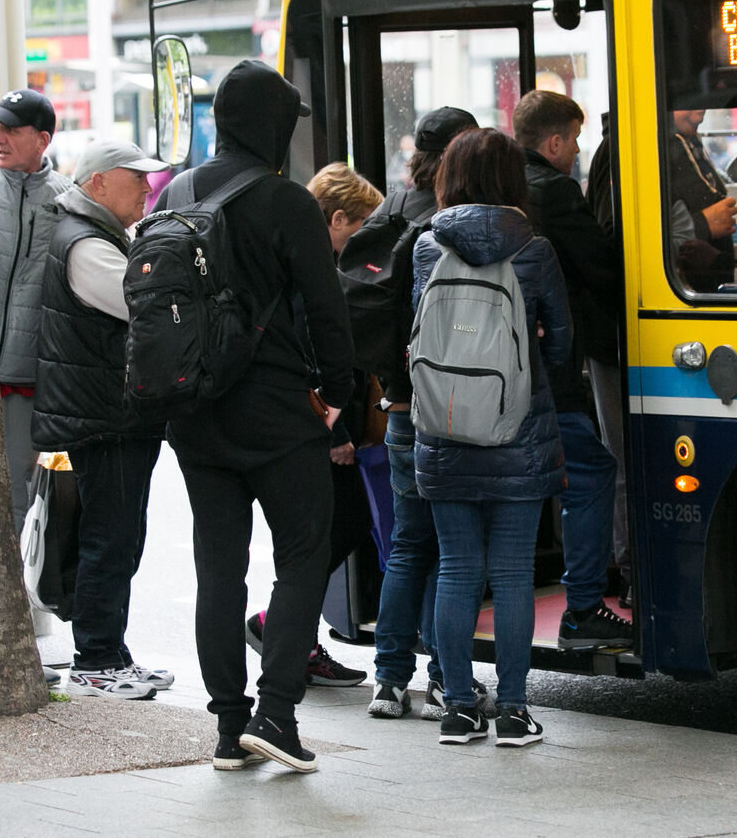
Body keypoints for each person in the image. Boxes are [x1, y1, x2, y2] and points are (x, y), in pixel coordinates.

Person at [157, 60, 355, 774]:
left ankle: (227, 730)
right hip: (275, 413)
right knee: (303, 554)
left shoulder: (172, 193)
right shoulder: (285, 202)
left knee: (220, 568)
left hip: (194, 412)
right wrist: (338, 398)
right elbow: (327, 313)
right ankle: (276, 713)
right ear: (272, 125)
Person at [412, 127, 570, 746]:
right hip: (518, 429)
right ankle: (512, 711)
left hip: (443, 423)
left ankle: (456, 708)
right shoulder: (533, 249)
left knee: (455, 571)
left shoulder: (428, 246)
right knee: (509, 575)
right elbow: (560, 344)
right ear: (512, 181)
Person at [363, 106, 495, 722]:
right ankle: (446, 678)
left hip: (398, 405)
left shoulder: (389, 212)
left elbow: (378, 320)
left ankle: (388, 681)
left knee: (407, 546)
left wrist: (390, 387)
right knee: (450, 551)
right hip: (447, 407)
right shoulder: (448, 226)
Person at [30, 138, 172, 700]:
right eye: (133, 177)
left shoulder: (99, 235)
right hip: (103, 417)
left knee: (118, 536)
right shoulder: (86, 244)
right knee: (110, 539)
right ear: (96, 184)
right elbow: (143, 305)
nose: (146, 187)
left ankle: (111, 653)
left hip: (111, 413)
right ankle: (95, 659)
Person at [244, 162, 382, 689]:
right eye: (360, 228)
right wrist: (338, 431)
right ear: (338, 218)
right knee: (334, 529)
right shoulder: (312, 268)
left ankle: (290, 634)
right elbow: (312, 353)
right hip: (318, 425)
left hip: (313, 422)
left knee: (329, 532)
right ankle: (283, 631)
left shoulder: (301, 258)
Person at [512, 90, 630, 647]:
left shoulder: (500, 190)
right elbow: (601, 266)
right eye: (576, 139)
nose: (580, 151)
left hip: (489, 383)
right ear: (555, 142)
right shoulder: (554, 191)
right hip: (548, 377)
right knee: (596, 469)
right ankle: (583, 604)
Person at [0, 90, 72, 534]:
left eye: (12, 129)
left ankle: (13, 599)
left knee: (19, 496)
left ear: (43, 140)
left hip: (24, 380)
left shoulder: (66, 200)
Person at [584, 111, 631, 606]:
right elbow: (609, 245)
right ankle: (629, 567)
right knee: (622, 458)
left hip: (609, 336)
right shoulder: (620, 153)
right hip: (614, 337)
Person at [668, 108, 737, 291]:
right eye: (688, 105)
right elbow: (627, 240)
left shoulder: (687, 141)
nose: (700, 114)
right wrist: (702, 226)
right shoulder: (637, 148)